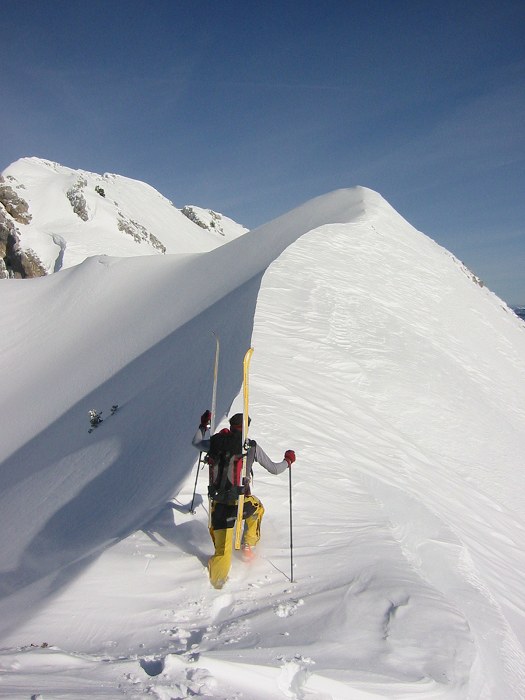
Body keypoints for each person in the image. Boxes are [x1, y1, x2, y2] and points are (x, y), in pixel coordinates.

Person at [192, 410, 296, 589]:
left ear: (231, 426)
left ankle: (215, 583)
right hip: (241, 504)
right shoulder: (250, 447)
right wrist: (288, 460)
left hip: (218, 505)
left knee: (223, 550)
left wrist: (204, 426)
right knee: (257, 508)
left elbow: (196, 443)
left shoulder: (216, 443)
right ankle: (248, 544)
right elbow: (275, 469)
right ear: (245, 428)